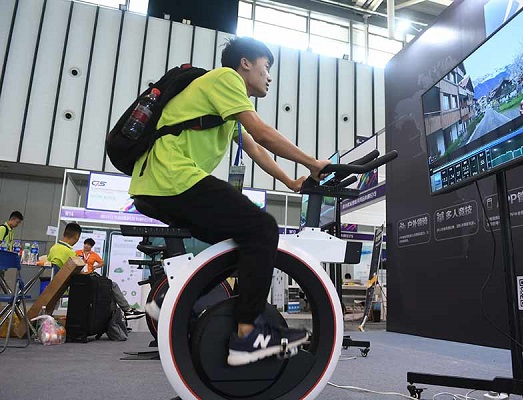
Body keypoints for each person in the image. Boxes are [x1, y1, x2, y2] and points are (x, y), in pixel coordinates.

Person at [130, 36, 330, 366]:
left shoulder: (223, 107)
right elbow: (262, 132)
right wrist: (312, 163)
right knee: (262, 228)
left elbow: (255, 148)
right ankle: (248, 335)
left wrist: (291, 181)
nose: (269, 77)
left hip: (158, 184)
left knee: (240, 242)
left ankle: (168, 300)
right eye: (266, 67)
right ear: (245, 63)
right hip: (171, 178)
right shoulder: (226, 79)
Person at [48, 228, 144, 320]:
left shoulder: (54, 248)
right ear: (77, 236)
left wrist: (94, 268)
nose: (86, 246)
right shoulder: (70, 253)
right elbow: (78, 272)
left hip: (67, 282)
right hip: (79, 283)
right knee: (111, 285)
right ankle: (127, 311)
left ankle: (124, 313)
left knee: (108, 287)